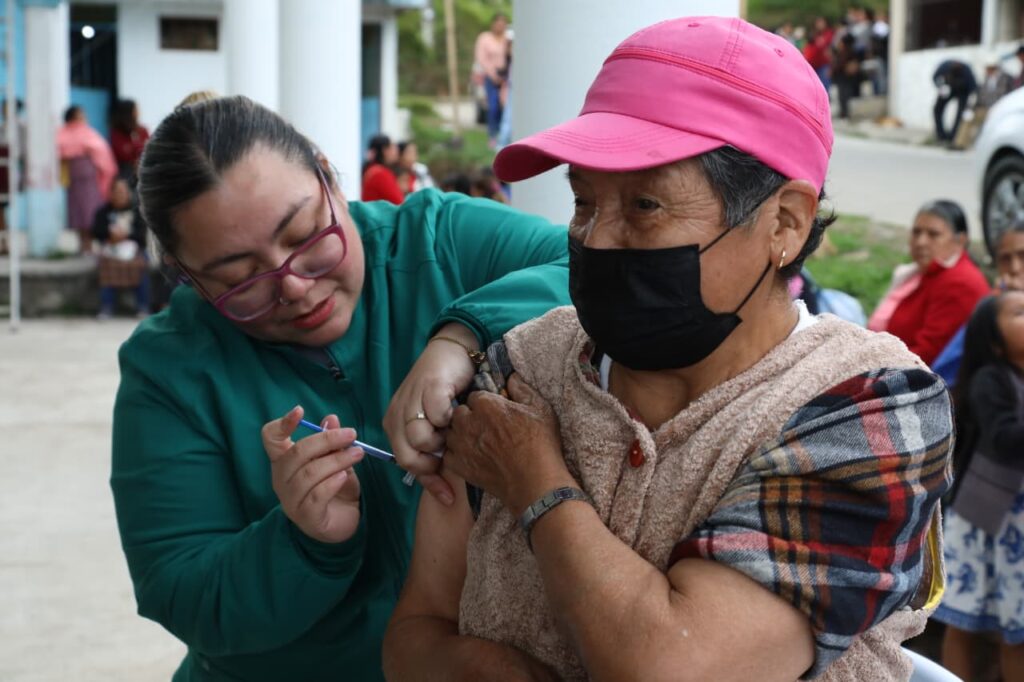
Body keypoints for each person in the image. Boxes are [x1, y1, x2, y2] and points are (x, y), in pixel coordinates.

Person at [383, 17, 952, 682]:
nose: (596, 240)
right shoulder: (522, 367)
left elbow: (674, 664)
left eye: (645, 206)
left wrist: (535, 481)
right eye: (583, 202)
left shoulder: (870, 407)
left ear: (786, 223)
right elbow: (416, 633)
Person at [110, 95, 570, 682]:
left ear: (328, 176)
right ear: (189, 278)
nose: (295, 288)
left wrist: (463, 335)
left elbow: (594, 265)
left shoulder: (439, 241)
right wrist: (302, 542)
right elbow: (181, 593)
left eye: (306, 235)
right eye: (240, 279)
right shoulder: (168, 369)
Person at [932, 291, 1024, 681]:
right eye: (1020, 313)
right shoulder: (990, 380)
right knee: (963, 622)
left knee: (1016, 630)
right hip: (983, 523)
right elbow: (1004, 440)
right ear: (994, 341)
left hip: (1015, 530)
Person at [868, 200, 990, 366]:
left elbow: (926, 355)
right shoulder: (925, 272)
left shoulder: (960, 283)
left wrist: (872, 366)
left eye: (933, 234)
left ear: (960, 241)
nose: (921, 242)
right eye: (916, 232)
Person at [933, 222, 1024, 385]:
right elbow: (946, 374)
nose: (1015, 268)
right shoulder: (993, 307)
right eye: (1005, 259)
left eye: (1023, 255)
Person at [57, 105, 117, 254]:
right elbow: (100, 151)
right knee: (80, 211)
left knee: (87, 211)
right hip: (78, 179)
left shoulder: (67, 133)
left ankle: (87, 244)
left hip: (85, 179)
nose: (84, 118)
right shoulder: (79, 133)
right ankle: (83, 244)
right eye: (81, 115)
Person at [92, 176, 149, 319]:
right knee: (105, 265)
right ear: (111, 193)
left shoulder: (137, 212)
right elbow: (97, 232)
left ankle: (143, 306)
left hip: (134, 250)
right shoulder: (103, 212)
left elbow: (142, 236)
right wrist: (110, 236)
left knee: (142, 264)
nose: (120, 195)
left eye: (123, 192)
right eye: (117, 192)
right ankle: (107, 306)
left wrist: (126, 236)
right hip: (110, 250)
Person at [473, 13, 510, 147]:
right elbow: (481, 58)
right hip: (490, 77)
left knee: (505, 107)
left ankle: (503, 134)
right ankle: (493, 135)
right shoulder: (485, 38)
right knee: (493, 106)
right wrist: (493, 75)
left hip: (506, 77)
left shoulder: (507, 39)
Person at [932, 60, 977, 145]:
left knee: (961, 113)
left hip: (963, 91)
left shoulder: (967, 71)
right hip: (948, 88)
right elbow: (935, 77)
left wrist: (971, 104)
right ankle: (941, 135)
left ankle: (954, 136)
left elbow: (973, 87)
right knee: (937, 109)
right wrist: (940, 87)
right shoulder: (944, 67)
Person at [109, 98, 150, 179]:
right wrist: (138, 147)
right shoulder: (117, 132)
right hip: (125, 172)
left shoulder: (142, 130)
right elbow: (123, 153)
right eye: (135, 110)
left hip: (143, 168)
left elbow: (148, 148)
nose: (138, 112)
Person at [361, 134, 404, 204]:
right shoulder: (381, 174)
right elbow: (399, 203)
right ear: (385, 151)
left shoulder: (371, 169)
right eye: (393, 148)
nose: (397, 152)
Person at [833, 34, 862, 120]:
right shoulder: (847, 52)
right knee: (844, 96)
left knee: (843, 96)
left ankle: (844, 113)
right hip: (844, 77)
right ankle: (844, 113)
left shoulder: (846, 53)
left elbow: (840, 65)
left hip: (844, 77)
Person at [803, 17, 834, 92]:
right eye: (818, 23)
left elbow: (826, 46)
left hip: (823, 64)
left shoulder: (828, 33)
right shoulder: (813, 34)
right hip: (812, 65)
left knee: (824, 87)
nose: (820, 25)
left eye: (821, 22)